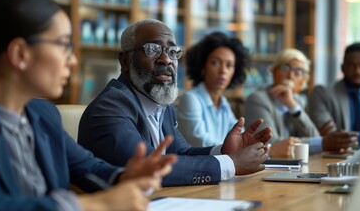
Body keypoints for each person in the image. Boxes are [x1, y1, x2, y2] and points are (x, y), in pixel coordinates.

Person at [0, 0, 177, 211]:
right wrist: (91, 205)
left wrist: (125, 176)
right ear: (20, 53)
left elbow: (88, 167)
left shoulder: (43, 113)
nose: (73, 61)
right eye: (63, 45)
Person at [78, 19, 273, 186]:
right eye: (152, 49)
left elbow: (181, 152)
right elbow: (149, 166)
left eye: (172, 51)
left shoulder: (163, 103)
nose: (166, 60)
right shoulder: (112, 105)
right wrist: (230, 163)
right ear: (125, 61)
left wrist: (224, 151)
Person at [308, 42, 360, 152]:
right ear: (343, 67)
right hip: (335, 159)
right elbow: (334, 138)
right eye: (352, 66)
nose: (357, 71)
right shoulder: (322, 94)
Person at [244, 49, 320, 157]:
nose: (290, 75)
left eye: (298, 72)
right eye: (285, 68)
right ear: (274, 72)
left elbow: (314, 137)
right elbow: (271, 144)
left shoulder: (299, 101)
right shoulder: (257, 99)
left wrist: (292, 106)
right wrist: (320, 143)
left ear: (303, 80)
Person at [177, 32, 249, 147]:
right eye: (215, 63)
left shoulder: (223, 103)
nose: (223, 71)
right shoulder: (191, 99)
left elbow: (241, 136)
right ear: (202, 66)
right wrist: (237, 149)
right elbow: (200, 142)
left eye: (229, 65)